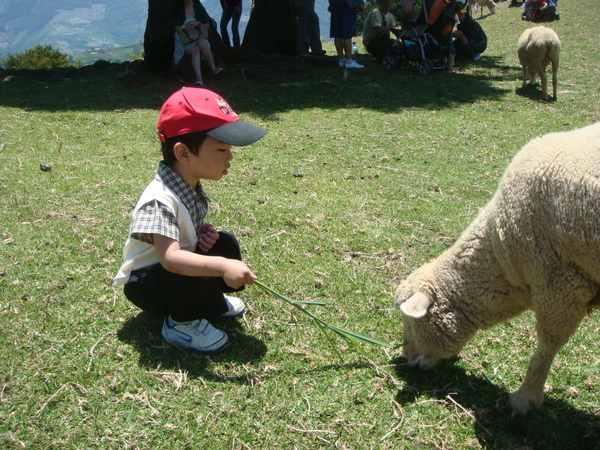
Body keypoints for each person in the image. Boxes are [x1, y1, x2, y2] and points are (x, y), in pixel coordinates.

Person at [113, 87, 267, 354]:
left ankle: (208, 302)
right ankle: (179, 324)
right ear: (183, 153)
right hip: (150, 283)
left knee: (224, 242)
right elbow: (171, 260)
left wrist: (201, 237)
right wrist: (220, 266)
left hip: (171, 274)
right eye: (221, 149)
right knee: (196, 265)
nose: (230, 157)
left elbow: (184, 240)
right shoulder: (159, 201)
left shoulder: (187, 186)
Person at [173, 0, 223, 86]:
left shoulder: (199, 8)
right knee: (195, 50)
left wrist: (196, 23)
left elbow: (207, 25)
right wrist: (185, 29)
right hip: (185, 40)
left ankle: (214, 69)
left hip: (198, 36)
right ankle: (199, 79)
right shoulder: (180, 10)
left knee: (202, 43)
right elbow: (176, 27)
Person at [328, 0, 366, 68]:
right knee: (347, 33)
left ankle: (341, 59)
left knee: (337, 34)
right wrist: (361, 5)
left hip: (335, 4)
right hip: (347, 4)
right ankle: (349, 60)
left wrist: (331, 4)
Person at [428, 0, 459, 72]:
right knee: (445, 42)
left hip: (442, 24)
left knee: (446, 43)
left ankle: (449, 67)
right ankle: (444, 65)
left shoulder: (441, 3)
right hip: (446, 23)